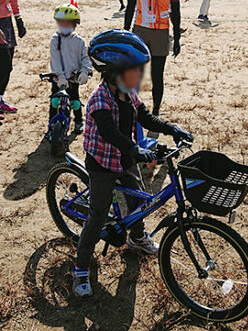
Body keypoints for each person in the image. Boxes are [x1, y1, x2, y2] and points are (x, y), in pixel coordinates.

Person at [71, 29, 194, 297]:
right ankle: (80, 266)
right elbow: (109, 134)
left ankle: (137, 238)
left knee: (139, 199)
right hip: (102, 163)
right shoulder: (100, 99)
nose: (139, 76)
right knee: (98, 215)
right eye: (135, 71)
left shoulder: (128, 93)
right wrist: (137, 150)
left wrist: (172, 128)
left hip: (125, 158)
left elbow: (146, 117)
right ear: (114, 72)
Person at [124, 0, 183, 116]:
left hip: (161, 32)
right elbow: (130, 7)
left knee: (157, 75)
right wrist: (125, 33)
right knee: (134, 74)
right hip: (140, 30)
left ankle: (155, 112)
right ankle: (132, 108)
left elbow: (176, 11)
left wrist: (177, 38)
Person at [49, 3, 92, 135]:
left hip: (73, 77)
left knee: (75, 100)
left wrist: (85, 71)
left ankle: (78, 121)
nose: (64, 26)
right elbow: (55, 59)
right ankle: (51, 126)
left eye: (67, 23)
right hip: (58, 78)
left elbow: (86, 57)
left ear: (74, 24)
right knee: (54, 102)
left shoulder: (79, 41)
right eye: (61, 23)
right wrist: (60, 76)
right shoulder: (55, 40)